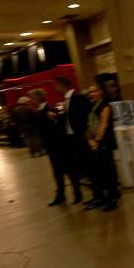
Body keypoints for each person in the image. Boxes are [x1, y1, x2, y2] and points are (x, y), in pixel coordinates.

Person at [53, 76, 90, 204]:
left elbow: (84, 118)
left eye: (56, 85)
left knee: (89, 167)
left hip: (80, 137)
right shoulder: (64, 101)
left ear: (62, 85)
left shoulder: (78, 98)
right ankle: (80, 194)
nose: (54, 88)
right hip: (69, 139)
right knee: (74, 167)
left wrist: (84, 134)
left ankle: (100, 195)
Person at [84, 84, 120, 212]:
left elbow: (103, 125)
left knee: (108, 172)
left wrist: (97, 141)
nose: (91, 94)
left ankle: (112, 199)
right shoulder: (93, 107)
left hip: (103, 143)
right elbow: (90, 125)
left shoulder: (105, 106)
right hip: (95, 143)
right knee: (99, 172)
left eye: (94, 91)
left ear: (100, 92)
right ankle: (102, 198)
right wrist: (89, 140)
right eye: (89, 92)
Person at [29, 88, 67, 206]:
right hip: (50, 145)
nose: (31, 101)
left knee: (62, 169)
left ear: (37, 98)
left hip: (56, 144)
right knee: (57, 170)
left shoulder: (48, 109)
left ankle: (66, 194)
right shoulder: (39, 111)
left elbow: (56, 127)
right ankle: (61, 194)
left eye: (32, 98)